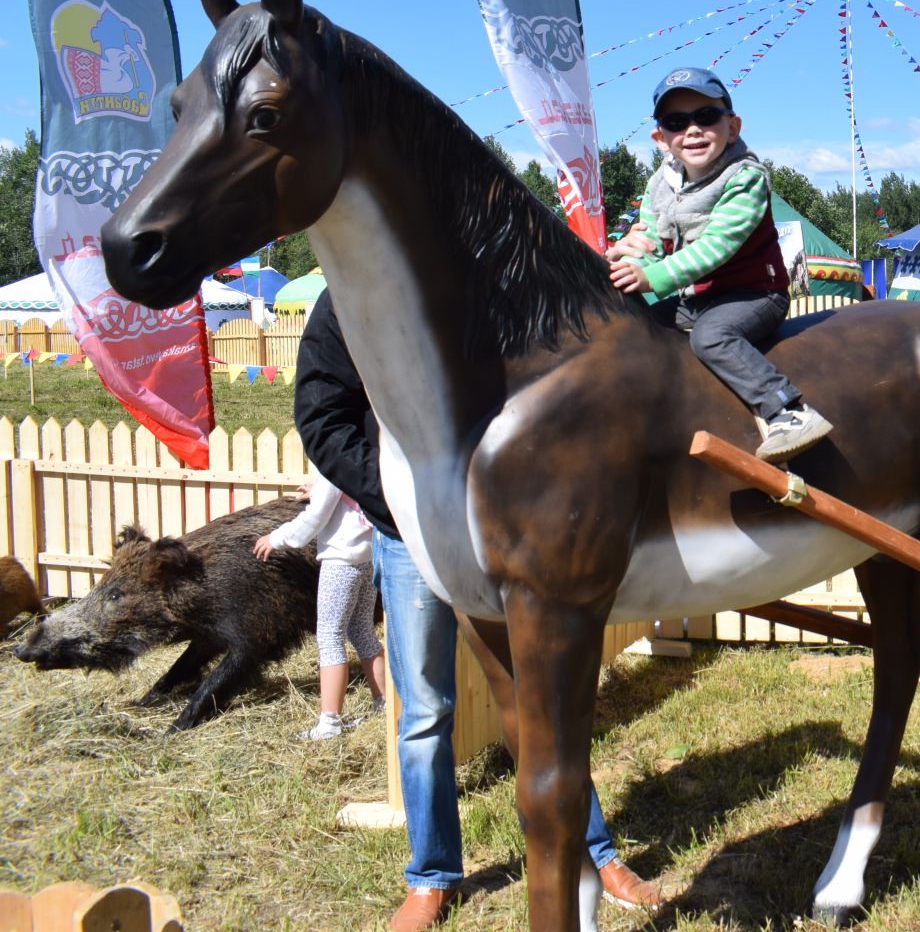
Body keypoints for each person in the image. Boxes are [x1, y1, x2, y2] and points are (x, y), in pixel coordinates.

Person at [296, 290, 657, 932]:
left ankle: (592, 854)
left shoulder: (475, 277)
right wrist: (406, 497)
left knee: (535, 698)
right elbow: (322, 416)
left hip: (501, 532)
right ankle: (433, 876)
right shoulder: (347, 297)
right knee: (425, 711)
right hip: (408, 538)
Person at [607, 67, 832, 462]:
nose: (692, 129)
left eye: (706, 117)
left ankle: (787, 410)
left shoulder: (745, 177)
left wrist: (652, 275)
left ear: (732, 126)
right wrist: (627, 255)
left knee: (711, 337)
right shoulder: (659, 184)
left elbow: (717, 245)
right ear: (660, 138)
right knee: (634, 323)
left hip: (753, 293)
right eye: (677, 122)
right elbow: (652, 244)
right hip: (696, 296)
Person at [251, 466, 387, 741]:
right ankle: (383, 703)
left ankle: (330, 723)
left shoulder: (331, 461)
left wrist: (277, 538)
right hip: (366, 555)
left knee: (329, 636)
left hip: (340, 560)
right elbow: (347, 493)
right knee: (361, 630)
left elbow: (316, 517)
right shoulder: (360, 452)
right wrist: (320, 491)